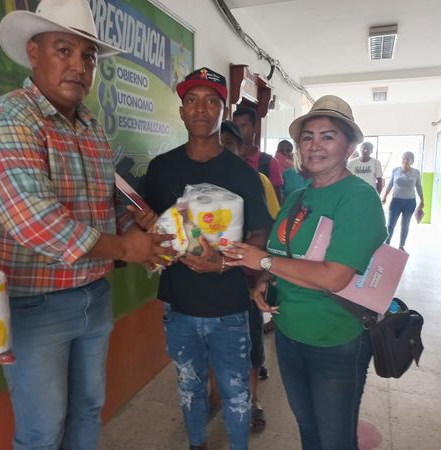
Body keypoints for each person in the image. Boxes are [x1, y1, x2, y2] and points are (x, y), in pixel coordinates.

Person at [0, 1, 173, 448]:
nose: (79, 66)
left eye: (88, 56)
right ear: (33, 52)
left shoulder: (91, 127)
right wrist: (125, 248)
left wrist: (136, 227)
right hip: (33, 304)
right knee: (42, 431)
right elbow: (35, 222)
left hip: (93, 295)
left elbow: (101, 205)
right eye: (64, 50)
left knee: (88, 411)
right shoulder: (6, 120)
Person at [223, 95, 387, 450]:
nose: (315, 146)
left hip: (335, 339)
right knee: (308, 429)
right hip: (289, 333)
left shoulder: (358, 198)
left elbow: (334, 277)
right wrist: (265, 280)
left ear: (349, 147)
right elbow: (281, 254)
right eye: (308, 137)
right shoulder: (299, 197)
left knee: (335, 439)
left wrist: (263, 263)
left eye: (328, 137)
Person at [142, 67, 272, 450]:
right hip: (179, 305)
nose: (201, 109)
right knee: (189, 386)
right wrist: (152, 240)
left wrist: (224, 263)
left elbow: (259, 234)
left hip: (229, 307)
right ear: (182, 110)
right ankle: (196, 443)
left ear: (223, 110)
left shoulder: (242, 174)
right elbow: (150, 229)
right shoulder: (161, 168)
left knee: (236, 391)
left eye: (211, 100)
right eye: (192, 100)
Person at [218, 120, 279, 430]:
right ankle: (218, 396)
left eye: (228, 144)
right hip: (211, 281)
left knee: (252, 340)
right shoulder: (201, 186)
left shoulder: (258, 181)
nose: (221, 150)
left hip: (247, 281)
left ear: (241, 149)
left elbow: (272, 227)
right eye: (217, 143)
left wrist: (263, 271)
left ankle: (253, 399)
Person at [233, 106, 284, 202]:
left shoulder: (269, 163)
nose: (238, 131)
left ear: (256, 128)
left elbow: (276, 202)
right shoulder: (228, 159)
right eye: (235, 127)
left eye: (243, 126)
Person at [382, 151, 424, 251]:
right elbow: (390, 184)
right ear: (401, 160)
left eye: (408, 159)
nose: (405, 160)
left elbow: (419, 186)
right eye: (404, 158)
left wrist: (422, 200)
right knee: (390, 225)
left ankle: (401, 246)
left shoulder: (416, 172)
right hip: (396, 201)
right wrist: (385, 196)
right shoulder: (395, 170)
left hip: (410, 202)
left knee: (405, 225)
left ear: (412, 161)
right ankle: (387, 244)